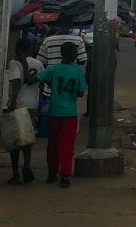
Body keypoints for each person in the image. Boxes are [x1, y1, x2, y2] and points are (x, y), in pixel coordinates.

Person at [37, 41, 88, 187]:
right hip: (70, 112)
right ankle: (64, 174)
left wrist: (47, 87)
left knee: (53, 143)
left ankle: (52, 173)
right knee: (67, 144)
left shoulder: (53, 69)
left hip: (54, 111)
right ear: (72, 55)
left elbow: (38, 79)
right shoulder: (78, 71)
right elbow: (80, 92)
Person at [3, 38, 40, 185]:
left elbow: (17, 81)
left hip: (18, 104)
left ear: (17, 48)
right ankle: (27, 165)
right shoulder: (38, 64)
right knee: (27, 139)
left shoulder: (14, 63)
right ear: (30, 48)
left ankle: (15, 173)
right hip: (32, 104)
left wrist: (13, 101)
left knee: (14, 140)